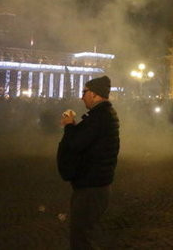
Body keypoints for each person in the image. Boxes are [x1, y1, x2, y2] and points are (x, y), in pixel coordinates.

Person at [57, 76, 120, 249]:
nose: (82, 96)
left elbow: (76, 144)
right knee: (84, 234)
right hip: (95, 182)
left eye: (84, 92)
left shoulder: (99, 116)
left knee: (82, 238)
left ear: (93, 94)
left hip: (91, 185)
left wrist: (69, 126)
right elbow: (88, 139)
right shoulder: (102, 115)